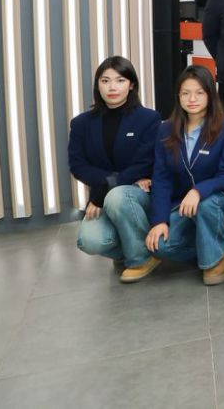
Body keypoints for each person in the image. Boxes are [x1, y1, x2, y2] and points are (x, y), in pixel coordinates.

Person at [145, 66, 224, 285]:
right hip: (184, 204)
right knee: (159, 246)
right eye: (185, 93)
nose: (192, 99)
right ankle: (206, 243)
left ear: (210, 94)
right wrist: (159, 221)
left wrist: (198, 191)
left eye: (199, 93)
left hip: (223, 199)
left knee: (206, 204)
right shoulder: (166, 129)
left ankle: (215, 259)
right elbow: (161, 178)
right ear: (178, 96)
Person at [69, 57, 162, 282]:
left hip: (137, 196)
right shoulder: (81, 123)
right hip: (103, 195)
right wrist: (107, 185)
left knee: (118, 197)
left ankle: (141, 258)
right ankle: (129, 249)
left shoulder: (149, 118)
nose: (112, 87)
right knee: (89, 241)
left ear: (131, 85)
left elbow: (144, 163)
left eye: (120, 80)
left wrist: (105, 189)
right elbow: (78, 165)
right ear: (97, 85)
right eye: (105, 80)